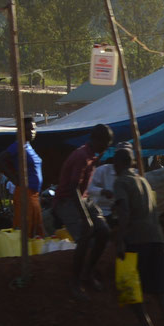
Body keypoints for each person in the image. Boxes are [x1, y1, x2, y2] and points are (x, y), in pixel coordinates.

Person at [110, 148, 164, 326]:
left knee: (127, 282)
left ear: (120, 163)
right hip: (156, 237)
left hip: (136, 238)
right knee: (160, 288)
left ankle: (145, 325)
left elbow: (124, 212)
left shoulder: (121, 181)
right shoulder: (144, 181)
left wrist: (120, 240)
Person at [54, 124, 113, 295]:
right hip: (67, 200)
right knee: (85, 235)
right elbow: (73, 189)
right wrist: (85, 217)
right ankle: (75, 280)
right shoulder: (81, 156)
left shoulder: (93, 155)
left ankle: (87, 272)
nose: (107, 146)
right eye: (106, 142)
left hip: (83, 198)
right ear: (97, 140)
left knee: (103, 231)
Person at [0, 118, 44, 240]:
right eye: (28, 129)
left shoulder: (28, 146)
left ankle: (35, 257)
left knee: (37, 231)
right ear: (21, 131)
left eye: (33, 128)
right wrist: (14, 179)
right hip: (25, 193)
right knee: (25, 232)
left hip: (34, 194)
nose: (32, 131)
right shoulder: (18, 145)